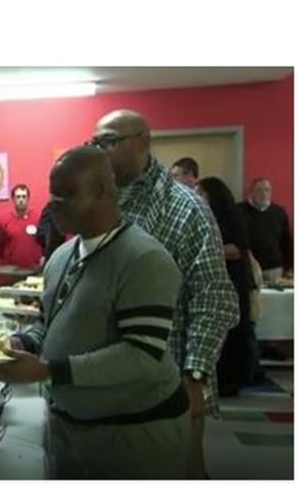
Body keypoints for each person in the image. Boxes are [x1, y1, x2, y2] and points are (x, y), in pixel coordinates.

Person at [0, 146, 189, 479]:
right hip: (72, 429)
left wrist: (48, 370)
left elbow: (140, 354)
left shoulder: (143, 259)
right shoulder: (62, 256)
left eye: (66, 194)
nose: (53, 203)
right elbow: (50, 324)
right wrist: (23, 342)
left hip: (135, 435)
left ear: (101, 191)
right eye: (52, 193)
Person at [90, 110, 238, 479]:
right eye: (95, 144)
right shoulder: (102, 204)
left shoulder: (187, 208)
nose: (100, 152)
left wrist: (195, 376)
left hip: (170, 383)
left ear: (143, 141)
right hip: (109, 382)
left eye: (109, 142)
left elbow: (214, 297)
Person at [196, 176, 256, 395]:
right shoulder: (204, 216)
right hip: (215, 280)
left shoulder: (232, 217)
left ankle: (233, 379)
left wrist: (204, 250)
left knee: (234, 331)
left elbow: (236, 250)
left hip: (233, 280)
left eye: (201, 193)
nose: (197, 197)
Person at [238, 177, 294, 284]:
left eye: (267, 190)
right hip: (249, 268)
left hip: (273, 267)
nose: (263, 194)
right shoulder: (239, 211)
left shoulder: (279, 212)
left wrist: (290, 266)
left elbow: (286, 241)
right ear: (251, 192)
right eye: (259, 190)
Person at [0, 184, 44, 269]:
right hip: (12, 271)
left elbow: (45, 241)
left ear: (28, 198)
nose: (21, 200)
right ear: (13, 199)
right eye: (18, 197)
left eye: (24, 196)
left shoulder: (38, 218)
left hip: (35, 269)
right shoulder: (3, 221)